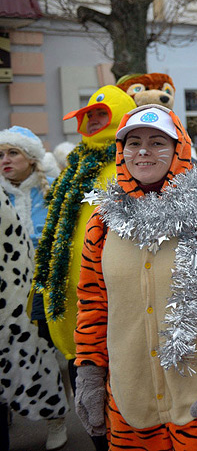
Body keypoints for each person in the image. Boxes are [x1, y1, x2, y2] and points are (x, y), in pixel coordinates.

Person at [73, 104, 197, 451]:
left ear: (178, 149)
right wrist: (90, 373)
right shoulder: (102, 223)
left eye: (157, 142)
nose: (143, 151)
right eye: (133, 142)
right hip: (129, 406)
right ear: (121, 152)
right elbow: (92, 304)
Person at [32, 85, 135, 451]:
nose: (93, 121)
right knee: (88, 396)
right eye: (88, 116)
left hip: (118, 305)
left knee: (124, 398)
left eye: (101, 115)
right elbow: (54, 233)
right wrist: (40, 291)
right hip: (73, 304)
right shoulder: (74, 167)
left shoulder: (130, 165)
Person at [0, 126, 70, 448]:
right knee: (9, 354)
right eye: (0, 155)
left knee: (45, 354)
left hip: (44, 285)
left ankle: (56, 419)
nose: (5, 160)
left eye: (12, 153)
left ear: (30, 158)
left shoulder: (52, 191)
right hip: (7, 290)